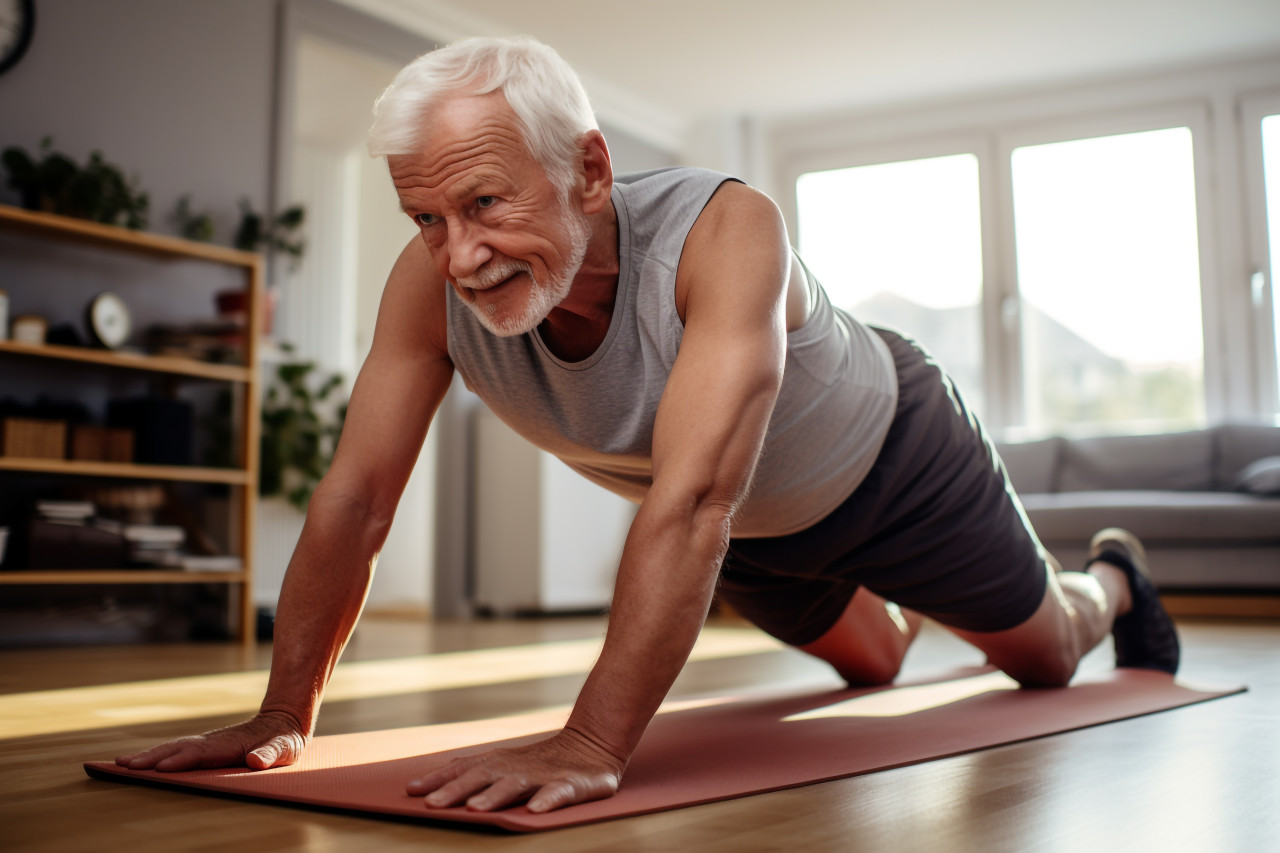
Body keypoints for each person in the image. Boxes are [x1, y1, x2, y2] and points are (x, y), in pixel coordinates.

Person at [116, 36, 1180, 815]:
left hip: (897, 459)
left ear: (587, 170)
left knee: (1044, 656)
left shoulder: (722, 231)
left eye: (485, 204)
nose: (458, 255)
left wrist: (590, 739)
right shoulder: (426, 291)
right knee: (874, 671)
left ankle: (1111, 578)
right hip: (761, 535)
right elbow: (354, 498)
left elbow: (693, 498)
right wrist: (281, 713)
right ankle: (897, 606)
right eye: (426, 220)